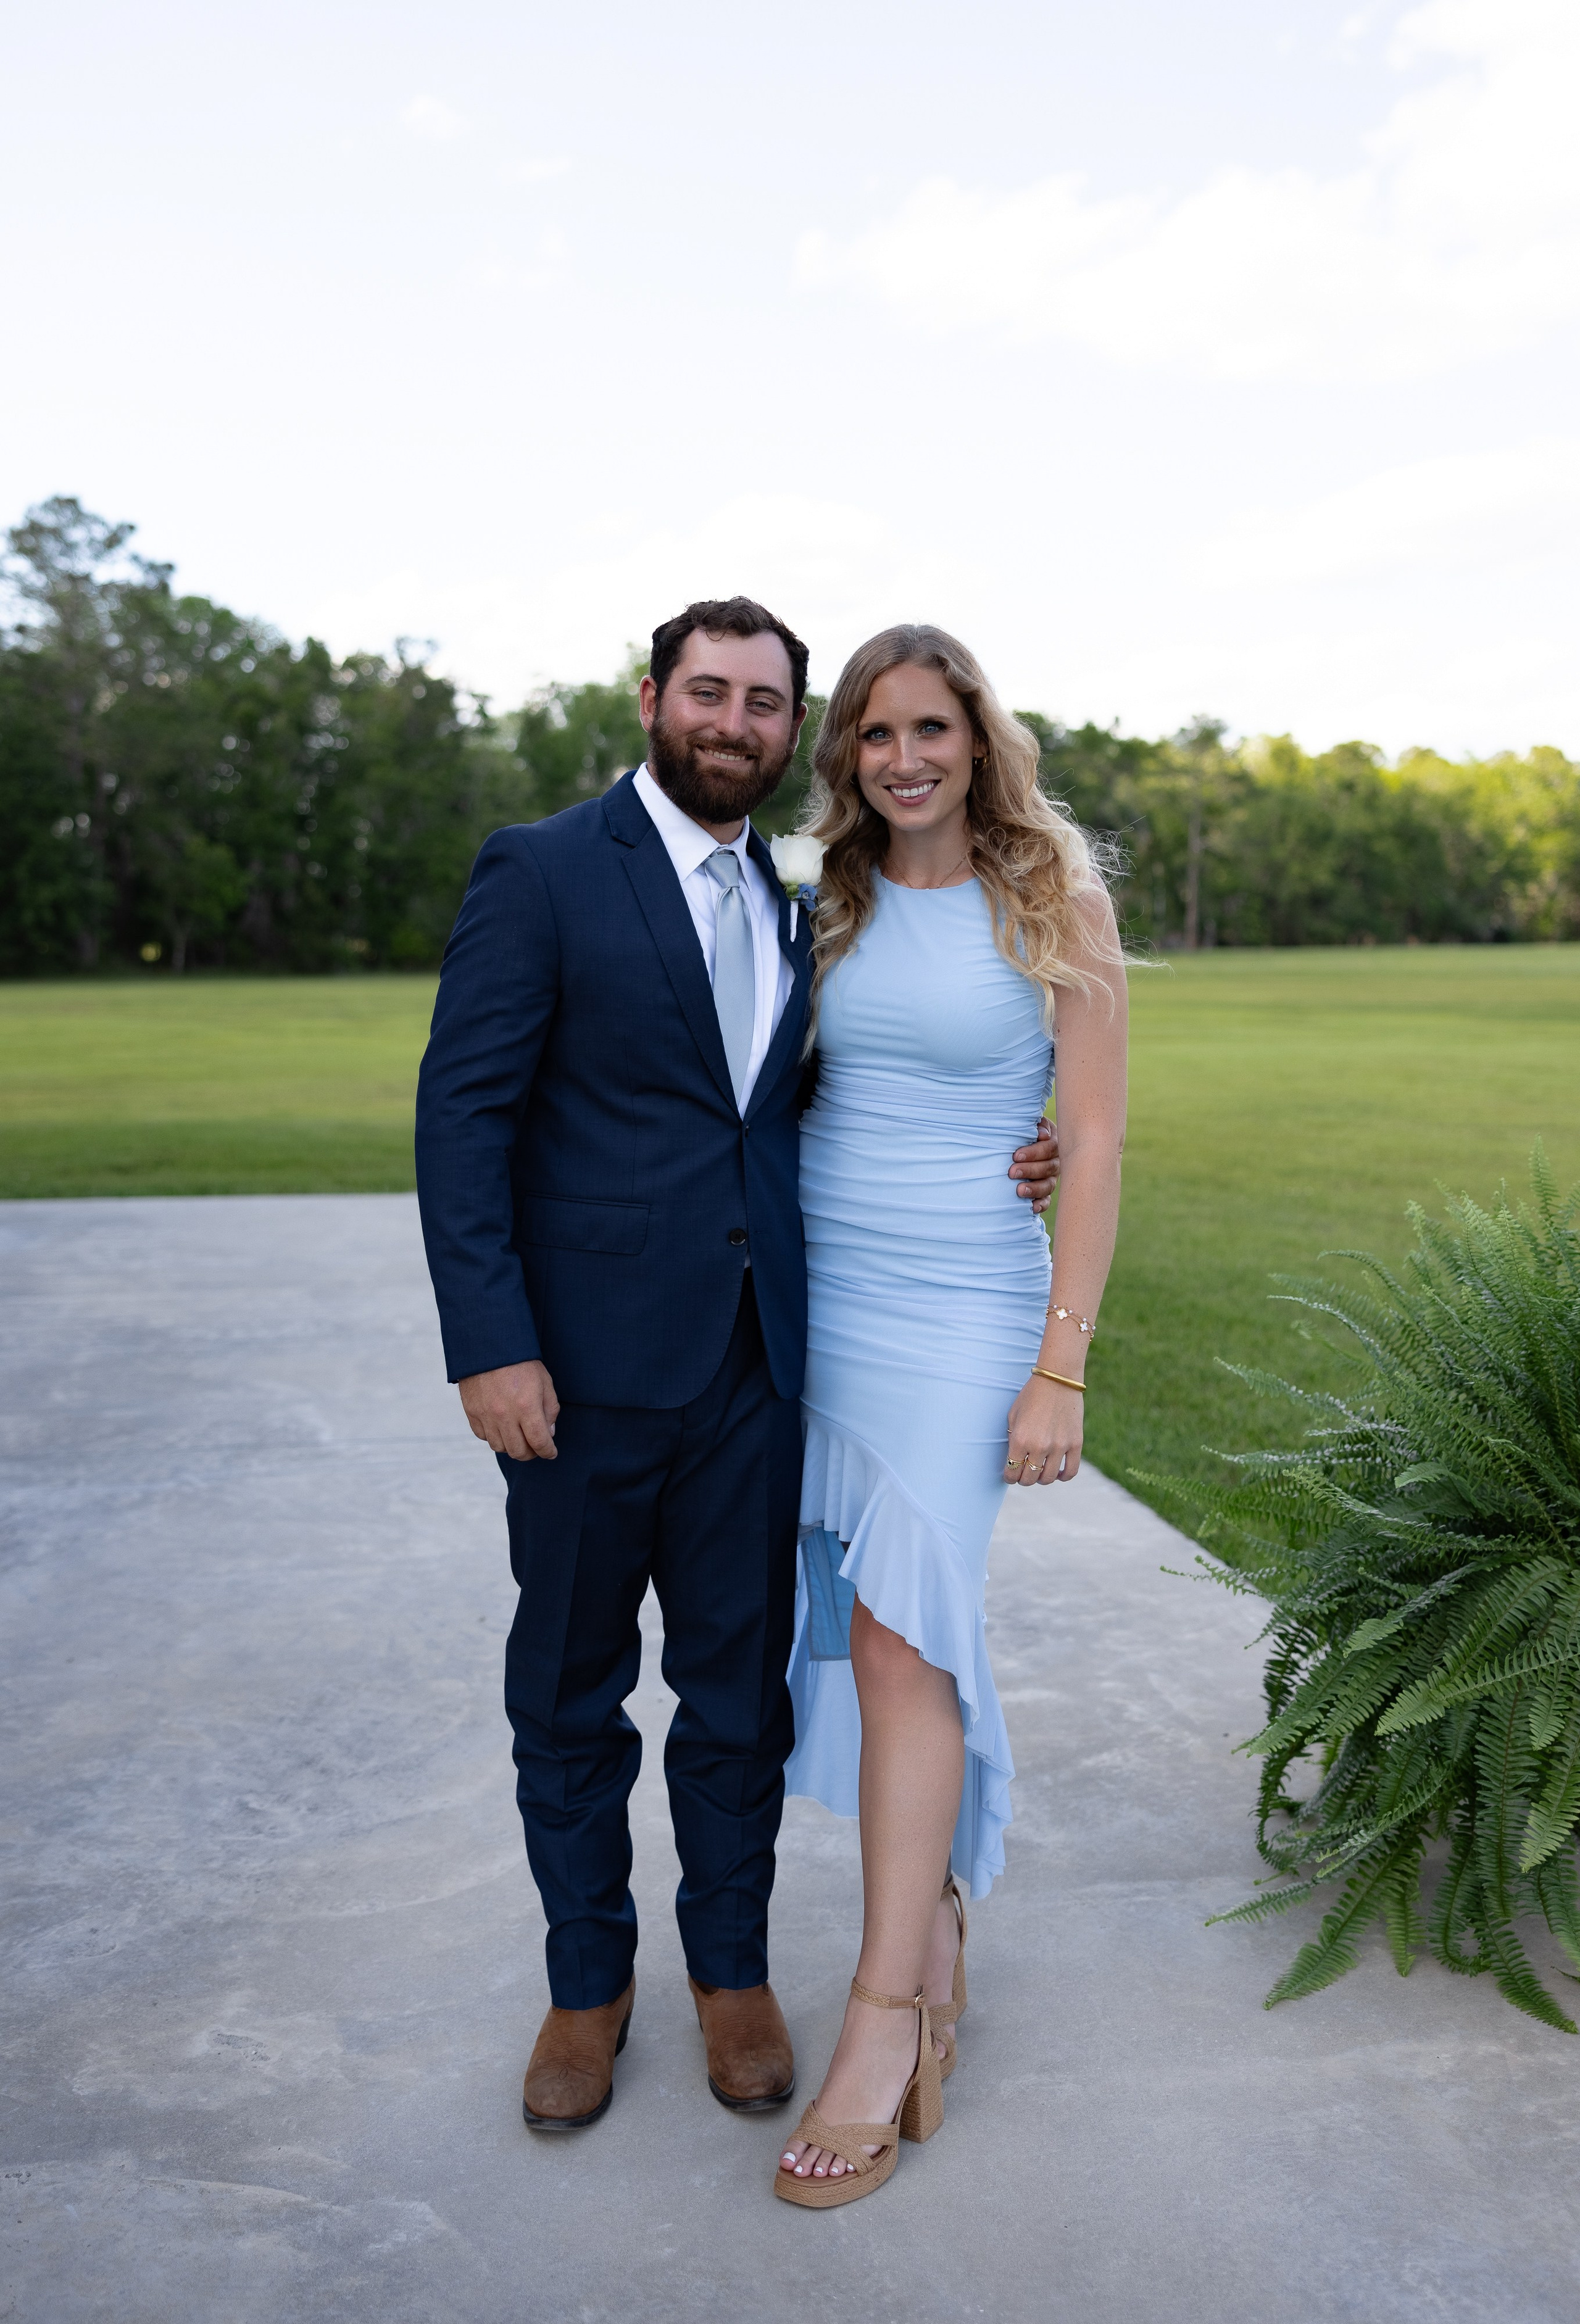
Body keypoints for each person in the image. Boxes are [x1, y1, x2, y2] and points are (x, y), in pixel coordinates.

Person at [413, 599, 1060, 2133]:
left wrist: (1008, 1152)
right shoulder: (545, 867)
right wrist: (491, 1341)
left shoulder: (795, 900)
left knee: (735, 1699)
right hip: (571, 1379)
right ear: (652, 698)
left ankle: (729, 1975)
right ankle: (586, 1988)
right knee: (571, 1694)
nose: (735, 722)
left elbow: (801, 1109)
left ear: (790, 735)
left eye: (766, 702)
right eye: (710, 692)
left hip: (763, 1371)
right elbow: (464, 1119)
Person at [774, 625, 1127, 2207]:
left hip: (966, 1307)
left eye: (930, 726)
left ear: (978, 739)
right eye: (871, 732)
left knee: (898, 1635)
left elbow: (1096, 1141)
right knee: (854, 1622)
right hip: (819, 1304)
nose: (902, 755)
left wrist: (1062, 1363)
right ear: (844, 754)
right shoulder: (815, 905)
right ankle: (932, 1929)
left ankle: (884, 2014)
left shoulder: (1055, 896)